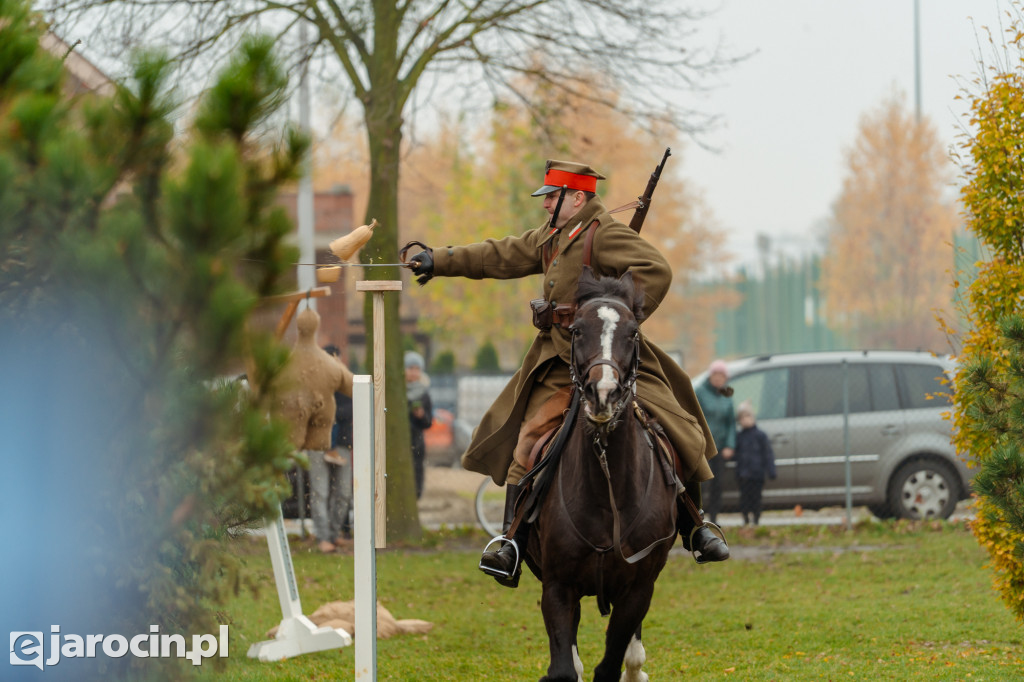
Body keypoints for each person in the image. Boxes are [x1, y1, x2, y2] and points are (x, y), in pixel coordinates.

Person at [407, 159, 729, 587]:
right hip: (558, 361)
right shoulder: (553, 238)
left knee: (674, 423)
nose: (545, 206)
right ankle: (512, 541)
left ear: (578, 198)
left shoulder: (607, 234)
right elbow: (498, 254)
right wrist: (438, 260)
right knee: (524, 441)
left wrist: (617, 317)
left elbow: (658, 272)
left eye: (552, 198)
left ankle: (695, 526)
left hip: (610, 355)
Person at [695, 359, 736, 525]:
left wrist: (730, 445)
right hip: (703, 448)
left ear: (726, 378)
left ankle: (714, 518)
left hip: (720, 448)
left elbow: (731, 423)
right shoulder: (700, 392)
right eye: (715, 375)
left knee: (717, 485)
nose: (718, 379)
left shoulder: (727, 394)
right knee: (702, 485)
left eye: (722, 376)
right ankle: (698, 518)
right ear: (710, 376)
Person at [324, 344, 355, 545]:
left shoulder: (345, 386)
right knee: (321, 492)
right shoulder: (319, 384)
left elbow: (349, 410)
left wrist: (332, 414)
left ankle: (335, 532)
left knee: (343, 492)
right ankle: (325, 536)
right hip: (321, 445)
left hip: (342, 444)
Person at [733, 401, 776, 525]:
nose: (745, 420)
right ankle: (745, 519)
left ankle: (756, 519)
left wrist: (771, 470)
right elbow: (735, 454)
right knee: (744, 498)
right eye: (742, 417)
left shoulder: (761, 436)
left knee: (756, 498)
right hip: (743, 475)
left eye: (748, 416)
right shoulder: (739, 436)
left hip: (757, 474)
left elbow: (768, 454)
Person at [405, 350, 434, 499]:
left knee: (416, 472)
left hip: (417, 441)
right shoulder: (397, 392)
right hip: (400, 441)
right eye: (411, 368)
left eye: (417, 369)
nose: (414, 373)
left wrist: (422, 416)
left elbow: (429, 422)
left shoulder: (424, 394)